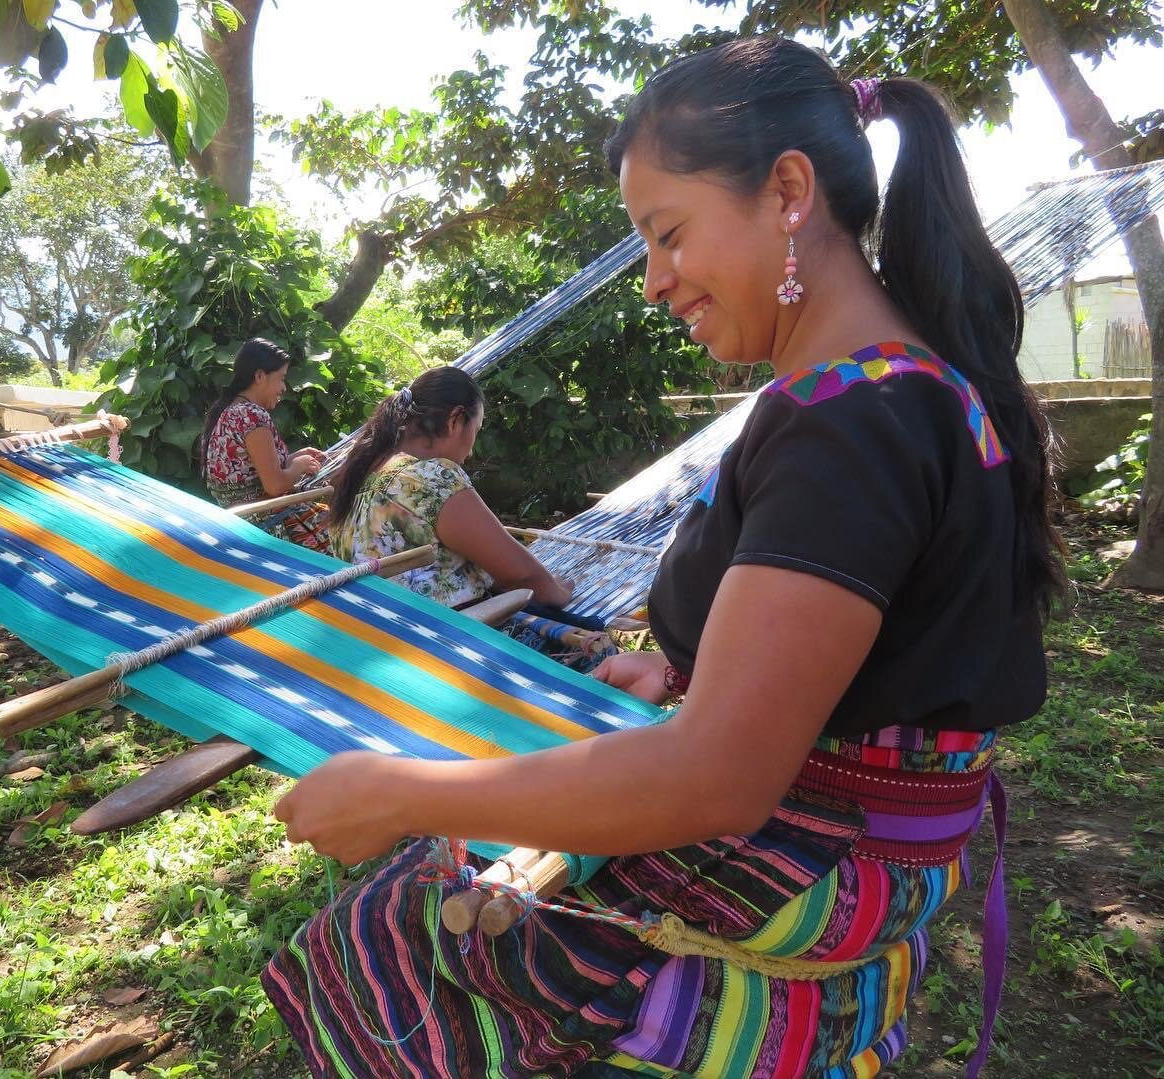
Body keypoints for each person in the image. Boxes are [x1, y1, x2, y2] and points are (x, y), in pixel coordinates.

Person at [262, 37, 1062, 1078]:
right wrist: (690, 674)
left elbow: (718, 780)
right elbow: (882, 654)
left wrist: (408, 790)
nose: (653, 282)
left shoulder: (850, 422)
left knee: (386, 933)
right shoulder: (913, 384)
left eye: (668, 234)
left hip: (822, 853)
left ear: (787, 191)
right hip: (874, 837)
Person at [329, 366, 573, 611]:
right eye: (475, 430)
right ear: (455, 420)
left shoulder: (355, 477)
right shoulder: (429, 478)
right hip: (435, 642)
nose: (471, 450)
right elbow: (524, 578)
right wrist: (561, 592)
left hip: (374, 634)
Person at [202, 338, 329, 549]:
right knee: (346, 530)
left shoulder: (230, 412)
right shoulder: (251, 416)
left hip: (243, 523)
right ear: (260, 376)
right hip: (268, 526)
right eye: (281, 378)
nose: (283, 388)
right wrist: (297, 467)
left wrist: (292, 459)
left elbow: (251, 473)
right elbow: (274, 486)